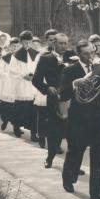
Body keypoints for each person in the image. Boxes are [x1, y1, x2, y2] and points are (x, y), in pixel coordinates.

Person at [60, 40, 100, 199]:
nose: (90, 56)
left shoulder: (99, 68)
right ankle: (69, 178)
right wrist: (75, 84)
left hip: (98, 117)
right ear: (79, 55)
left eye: (92, 53)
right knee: (75, 151)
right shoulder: (70, 70)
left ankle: (96, 192)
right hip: (79, 118)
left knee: (98, 157)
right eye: (86, 54)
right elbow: (63, 94)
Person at [32, 29, 68, 168]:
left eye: (66, 43)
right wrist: (47, 89)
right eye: (60, 43)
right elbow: (36, 80)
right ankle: (50, 158)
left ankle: (73, 166)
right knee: (54, 131)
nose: (63, 46)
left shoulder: (72, 57)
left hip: (72, 99)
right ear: (54, 44)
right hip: (54, 99)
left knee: (73, 133)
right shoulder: (46, 58)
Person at [9, 30, 39, 140]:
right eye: (25, 43)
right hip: (21, 84)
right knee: (19, 108)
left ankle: (33, 133)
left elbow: (38, 67)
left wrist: (34, 76)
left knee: (33, 109)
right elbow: (12, 70)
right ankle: (17, 127)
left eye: (29, 42)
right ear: (21, 42)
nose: (27, 45)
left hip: (32, 84)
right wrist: (23, 75)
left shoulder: (35, 54)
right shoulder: (16, 55)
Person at [0, 38, 20, 131]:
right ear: (10, 47)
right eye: (13, 46)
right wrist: (7, 76)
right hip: (8, 83)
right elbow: (1, 70)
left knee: (16, 106)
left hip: (18, 83)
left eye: (16, 46)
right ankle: (5, 121)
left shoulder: (21, 57)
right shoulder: (6, 57)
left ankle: (16, 126)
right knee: (7, 104)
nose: (14, 48)